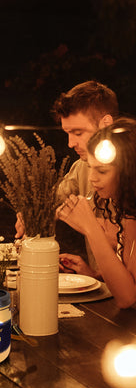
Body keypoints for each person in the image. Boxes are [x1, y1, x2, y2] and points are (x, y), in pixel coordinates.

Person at [15, 80, 119, 276]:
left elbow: (127, 241)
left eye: (78, 133)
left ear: (106, 124)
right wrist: (30, 214)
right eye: (68, 133)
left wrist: (89, 226)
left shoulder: (129, 170)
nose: (71, 143)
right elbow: (51, 203)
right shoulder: (81, 168)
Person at [57, 117, 136, 309]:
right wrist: (93, 274)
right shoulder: (128, 213)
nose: (92, 178)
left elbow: (129, 298)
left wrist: (91, 228)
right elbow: (130, 278)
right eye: (91, 168)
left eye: (101, 171)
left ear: (128, 172)